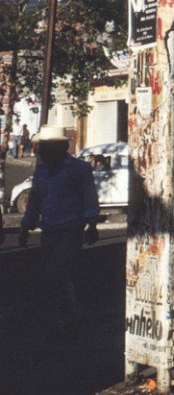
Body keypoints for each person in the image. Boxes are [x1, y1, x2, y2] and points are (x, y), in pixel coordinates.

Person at [17, 125, 99, 328]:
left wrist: (92, 224)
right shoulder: (41, 172)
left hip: (70, 230)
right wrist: (25, 227)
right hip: (49, 230)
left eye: (47, 147)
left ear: (61, 147)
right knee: (56, 275)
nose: (43, 152)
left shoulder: (79, 169)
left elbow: (89, 198)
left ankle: (71, 313)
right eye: (41, 147)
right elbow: (35, 201)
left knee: (58, 272)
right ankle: (67, 311)